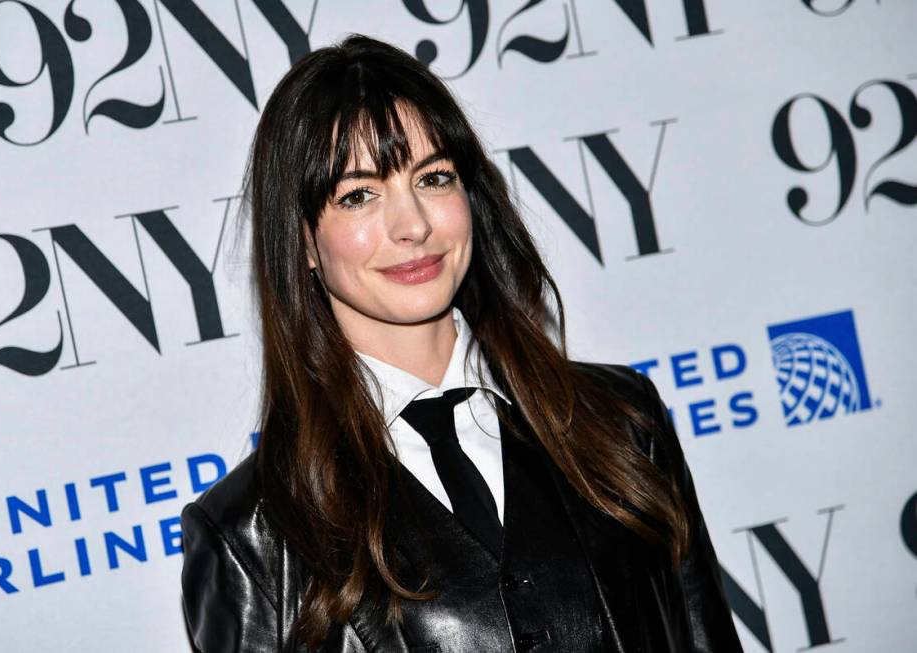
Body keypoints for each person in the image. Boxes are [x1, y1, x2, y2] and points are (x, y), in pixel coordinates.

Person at [180, 33, 743, 653]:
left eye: (434, 177)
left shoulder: (621, 422)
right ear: (304, 242)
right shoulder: (254, 535)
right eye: (359, 194)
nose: (414, 225)